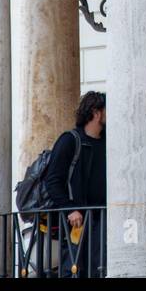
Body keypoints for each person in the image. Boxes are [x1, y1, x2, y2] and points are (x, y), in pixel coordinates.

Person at [45, 91, 106, 277]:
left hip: (103, 219)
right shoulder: (70, 140)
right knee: (74, 271)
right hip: (77, 222)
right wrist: (70, 209)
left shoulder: (109, 142)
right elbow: (53, 181)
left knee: (100, 269)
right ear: (96, 113)